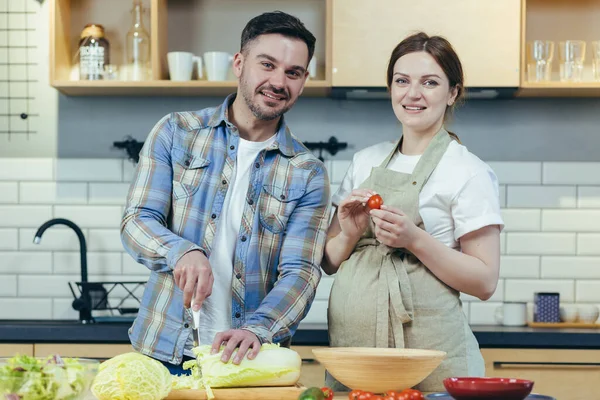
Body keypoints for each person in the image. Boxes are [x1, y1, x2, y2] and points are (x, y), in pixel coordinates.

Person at [120, 11, 331, 375]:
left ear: (303, 80)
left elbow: (301, 272)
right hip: (162, 352)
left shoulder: (308, 172)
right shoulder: (176, 131)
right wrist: (182, 251)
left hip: (250, 361)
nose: (278, 81)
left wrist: (258, 329)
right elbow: (136, 221)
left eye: (293, 72)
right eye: (267, 64)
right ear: (239, 63)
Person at [321, 32, 504, 392]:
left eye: (430, 82)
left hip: (432, 358)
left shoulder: (468, 171)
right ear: (390, 88)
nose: (413, 93)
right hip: (356, 360)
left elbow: (484, 281)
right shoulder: (365, 161)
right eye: (401, 81)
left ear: (452, 92)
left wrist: (415, 240)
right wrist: (348, 235)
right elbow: (328, 262)